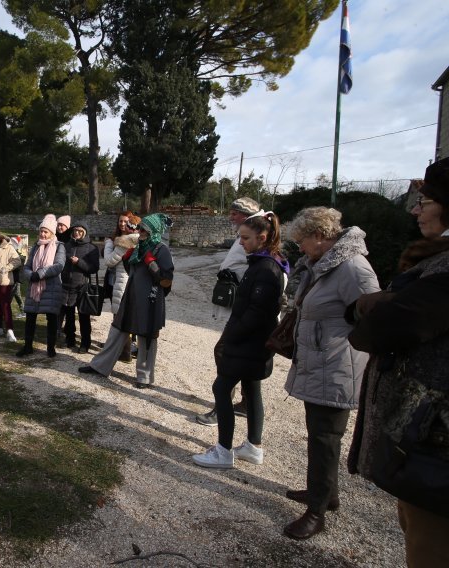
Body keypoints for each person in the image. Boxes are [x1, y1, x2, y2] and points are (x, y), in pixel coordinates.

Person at [346, 157, 449, 566]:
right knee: (415, 525)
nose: (415, 209)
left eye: (425, 201)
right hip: (427, 447)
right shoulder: (432, 266)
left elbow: (378, 330)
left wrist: (377, 306)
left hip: (435, 448)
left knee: (430, 545)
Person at [281, 206, 380, 540]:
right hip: (322, 364)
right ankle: (324, 494)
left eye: (302, 241)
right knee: (320, 435)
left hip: (336, 367)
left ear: (320, 237)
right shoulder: (325, 265)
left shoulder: (352, 267)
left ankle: (316, 512)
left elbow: (373, 314)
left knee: (325, 438)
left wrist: (343, 350)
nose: (300, 248)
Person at [192, 212, 289, 469]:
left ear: (263, 237)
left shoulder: (267, 269)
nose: (241, 242)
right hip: (254, 343)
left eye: (245, 238)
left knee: (221, 389)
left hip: (248, 343)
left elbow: (257, 313)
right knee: (252, 388)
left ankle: (223, 451)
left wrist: (231, 336)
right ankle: (253, 447)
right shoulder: (260, 263)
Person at [79, 213, 174, 389]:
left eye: (144, 229)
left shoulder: (162, 250)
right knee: (118, 330)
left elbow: (166, 280)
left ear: (152, 231)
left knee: (146, 338)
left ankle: (144, 378)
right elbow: (131, 272)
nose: (140, 231)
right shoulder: (138, 247)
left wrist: (151, 263)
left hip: (150, 300)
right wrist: (128, 257)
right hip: (130, 296)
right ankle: (100, 366)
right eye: (140, 228)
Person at [196, 197, 264, 426]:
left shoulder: (258, 241)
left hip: (247, 311)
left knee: (225, 352)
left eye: (235, 212)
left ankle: (222, 405)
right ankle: (244, 404)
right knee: (240, 356)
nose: (230, 216)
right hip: (241, 306)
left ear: (246, 215)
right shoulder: (245, 235)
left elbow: (261, 273)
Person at [16, 214, 66, 358]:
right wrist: (30, 274)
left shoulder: (59, 246)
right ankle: (28, 346)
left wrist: (40, 273)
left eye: (46, 231)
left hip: (51, 286)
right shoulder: (35, 247)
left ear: (52, 233)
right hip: (34, 286)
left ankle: (51, 347)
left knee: (51, 318)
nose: (43, 234)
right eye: (41, 231)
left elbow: (59, 265)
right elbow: (27, 265)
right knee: (30, 317)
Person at [103, 211, 141, 361]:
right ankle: (126, 350)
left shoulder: (125, 242)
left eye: (128, 223)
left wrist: (107, 244)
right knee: (125, 318)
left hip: (122, 283)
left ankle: (123, 353)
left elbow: (109, 261)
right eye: (121, 222)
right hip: (128, 283)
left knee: (120, 319)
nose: (124, 225)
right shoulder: (139, 240)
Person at [60, 222, 100, 353]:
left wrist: (79, 262)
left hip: (82, 287)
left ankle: (85, 343)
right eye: (75, 230)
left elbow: (94, 268)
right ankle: (70, 339)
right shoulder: (66, 245)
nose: (77, 233)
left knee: (83, 317)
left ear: (85, 233)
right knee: (69, 316)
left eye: (80, 231)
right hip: (66, 286)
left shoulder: (91, 248)